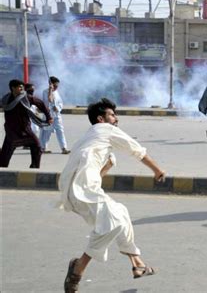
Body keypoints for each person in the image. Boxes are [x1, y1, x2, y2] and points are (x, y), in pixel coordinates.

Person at [58, 98, 166, 292]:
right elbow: (137, 150)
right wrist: (157, 170)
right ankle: (77, 269)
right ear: (101, 119)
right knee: (112, 221)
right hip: (81, 188)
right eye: (112, 115)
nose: (116, 118)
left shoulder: (90, 139)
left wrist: (107, 166)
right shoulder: (104, 130)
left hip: (76, 190)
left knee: (120, 213)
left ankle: (138, 263)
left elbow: (94, 175)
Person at [0, 79, 52, 168]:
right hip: (11, 131)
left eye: (22, 87)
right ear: (13, 88)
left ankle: (34, 167)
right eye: (19, 87)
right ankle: (2, 169)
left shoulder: (27, 98)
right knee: (6, 154)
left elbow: (41, 104)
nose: (21, 88)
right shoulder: (6, 100)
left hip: (25, 129)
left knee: (37, 146)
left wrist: (49, 117)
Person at [40, 76, 70, 154]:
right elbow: (49, 100)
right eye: (55, 86)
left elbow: (60, 103)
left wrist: (58, 108)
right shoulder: (45, 92)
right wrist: (50, 90)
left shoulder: (57, 92)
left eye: (57, 86)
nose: (57, 87)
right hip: (49, 116)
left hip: (57, 116)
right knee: (47, 132)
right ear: (51, 84)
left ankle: (64, 148)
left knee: (60, 131)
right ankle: (43, 147)